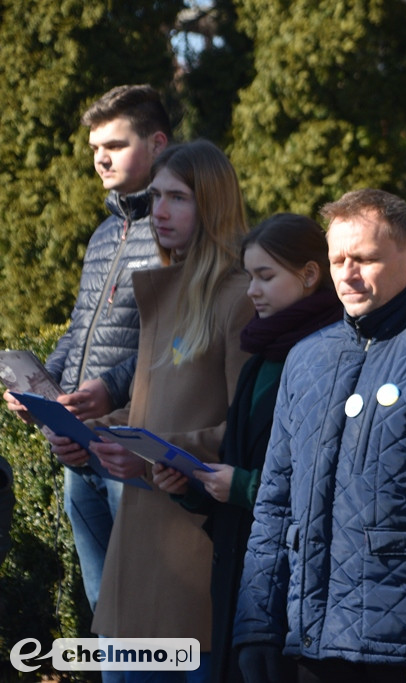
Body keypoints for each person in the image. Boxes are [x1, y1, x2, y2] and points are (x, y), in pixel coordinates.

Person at [233, 189, 406, 683]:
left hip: (402, 648)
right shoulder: (306, 358)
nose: (346, 273)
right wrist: (255, 625)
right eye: (337, 259)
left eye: (364, 259)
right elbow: (275, 504)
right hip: (308, 643)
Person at [49, 139, 253, 682]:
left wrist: (160, 455)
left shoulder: (238, 298)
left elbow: (247, 432)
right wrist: (86, 436)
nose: (159, 212)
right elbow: (148, 408)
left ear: (212, 205)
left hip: (191, 549)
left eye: (178, 198)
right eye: (156, 196)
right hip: (140, 546)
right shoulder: (166, 291)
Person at [153, 213, 345, 683]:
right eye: (249, 276)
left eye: (265, 276)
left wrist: (240, 486)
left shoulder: (334, 355)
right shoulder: (260, 358)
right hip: (247, 580)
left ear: (309, 275)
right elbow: (240, 458)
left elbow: (331, 485)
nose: (252, 290)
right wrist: (190, 485)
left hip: (297, 588)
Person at [2, 84, 169, 617]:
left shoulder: (177, 234)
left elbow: (172, 341)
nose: (100, 158)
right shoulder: (102, 234)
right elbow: (78, 331)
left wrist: (109, 391)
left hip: (136, 449)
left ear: (158, 144)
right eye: (96, 147)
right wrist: (40, 392)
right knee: (105, 609)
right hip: (79, 448)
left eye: (115, 145)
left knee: (144, 608)